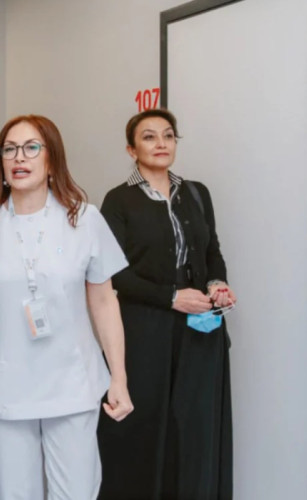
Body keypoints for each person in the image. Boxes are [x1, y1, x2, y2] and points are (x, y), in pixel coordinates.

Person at [0, 114, 134, 500]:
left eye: (31, 147)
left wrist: (119, 376)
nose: (19, 157)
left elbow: (103, 301)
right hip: (5, 384)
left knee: (77, 492)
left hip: (72, 382)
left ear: (52, 158)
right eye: (9, 149)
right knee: (14, 492)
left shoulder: (84, 219)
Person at [97, 109, 236, 499]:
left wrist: (217, 285)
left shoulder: (196, 193)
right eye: (149, 136)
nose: (161, 143)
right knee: (143, 428)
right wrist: (171, 297)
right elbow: (112, 274)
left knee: (194, 429)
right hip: (144, 330)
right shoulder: (119, 200)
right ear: (131, 149)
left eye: (168, 135)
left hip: (200, 330)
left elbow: (212, 252)